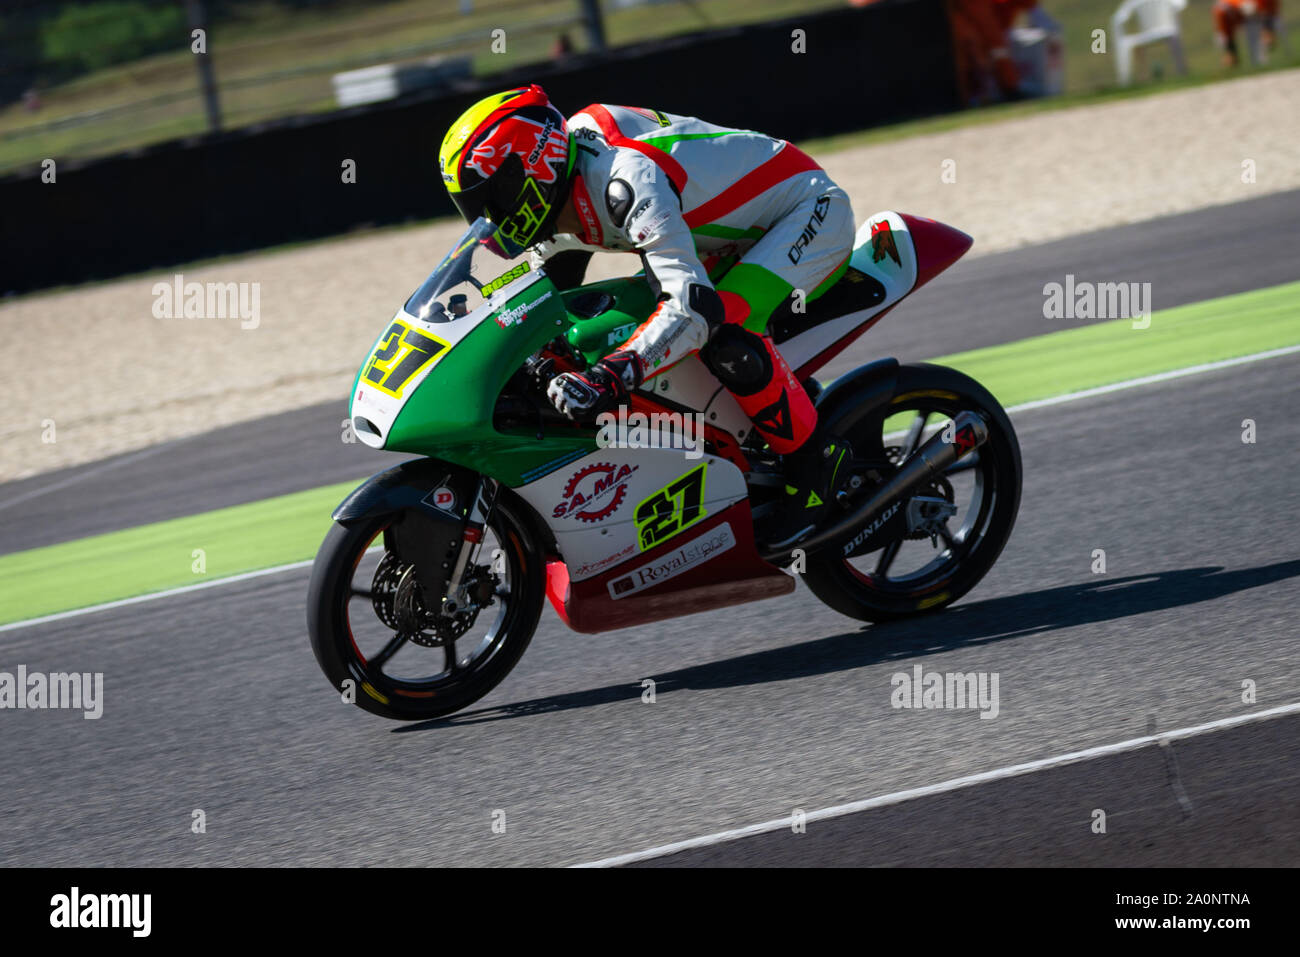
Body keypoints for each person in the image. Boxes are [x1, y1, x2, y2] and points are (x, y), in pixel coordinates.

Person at [438, 84, 858, 546]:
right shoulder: (561, 177)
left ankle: (817, 463)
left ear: (534, 165)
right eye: (475, 208)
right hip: (723, 238)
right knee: (593, 326)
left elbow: (691, 306)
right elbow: (539, 299)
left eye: (494, 197)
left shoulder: (625, 179)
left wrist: (611, 376)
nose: (492, 218)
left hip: (804, 213)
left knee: (725, 329)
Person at [1213, 0, 1281, 67]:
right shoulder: (1222, 10)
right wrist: (1229, 51)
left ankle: (1259, 62)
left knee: (1260, 54)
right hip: (1236, 15)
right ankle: (1233, 56)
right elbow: (1224, 32)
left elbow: (1271, 9)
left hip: (1258, 14)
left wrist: (1268, 30)